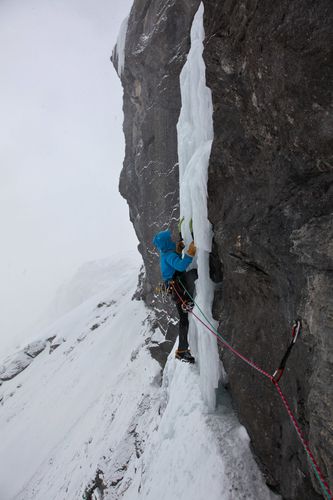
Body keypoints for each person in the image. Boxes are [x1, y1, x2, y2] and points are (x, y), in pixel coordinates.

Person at [153, 229, 197, 363]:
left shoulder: (165, 253)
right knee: (184, 320)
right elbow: (180, 265)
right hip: (178, 287)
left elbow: (173, 262)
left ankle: (182, 350)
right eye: (169, 240)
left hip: (175, 286)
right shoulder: (168, 256)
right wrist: (190, 253)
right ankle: (181, 351)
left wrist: (178, 251)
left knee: (184, 320)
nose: (172, 240)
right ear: (166, 243)